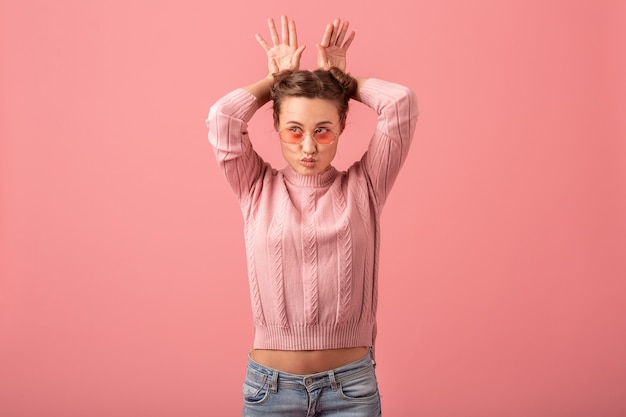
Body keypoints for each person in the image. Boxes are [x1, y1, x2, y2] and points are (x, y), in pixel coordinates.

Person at [206, 15, 418, 417]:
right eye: (294, 130)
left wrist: (341, 79)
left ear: (340, 127)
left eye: (322, 131)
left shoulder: (366, 187)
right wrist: (276, 83)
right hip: (270, 391)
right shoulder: (256, 188)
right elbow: (222, 118)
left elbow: (401, 103)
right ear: (277, 127)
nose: (308, 146)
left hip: (351, 390)